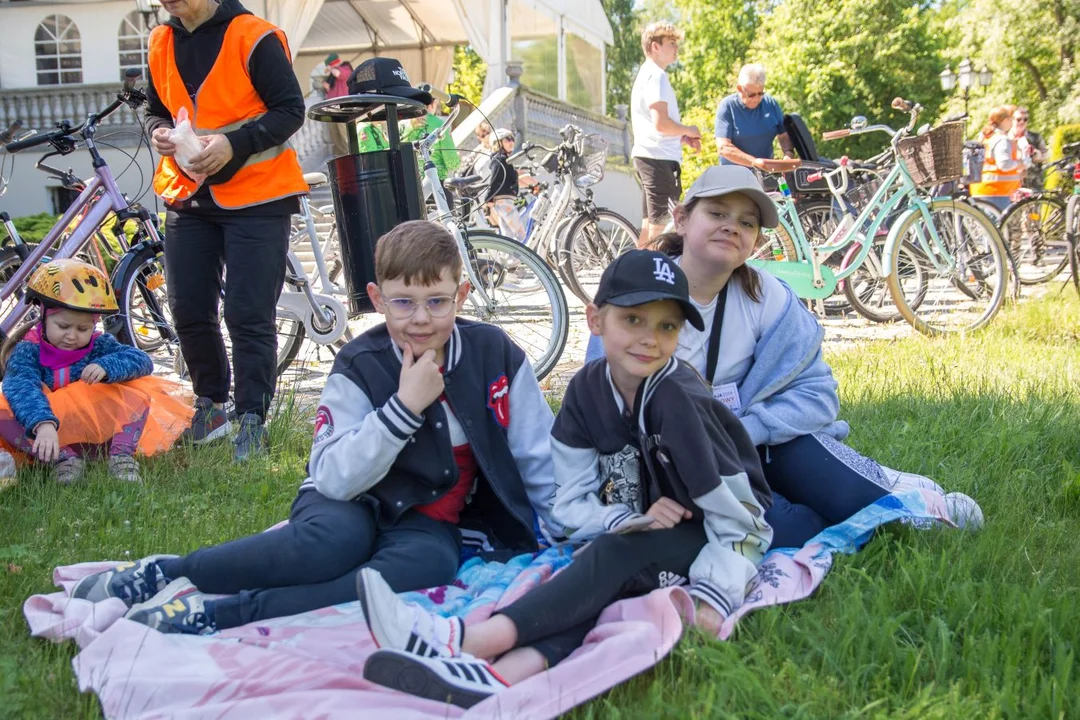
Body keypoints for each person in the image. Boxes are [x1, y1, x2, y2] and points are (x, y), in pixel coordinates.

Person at [68, 221, 561, 635]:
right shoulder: (359, 363)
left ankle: (218, 614)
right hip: (347, 497)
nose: (420, 319)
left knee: (424, 567)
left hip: (428, 516)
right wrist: (403, 408)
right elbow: (332, 478)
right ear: (376, 297)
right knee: (331, 546)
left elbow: (537, 453)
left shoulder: (494, 353)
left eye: (437, 301)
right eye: (402, 302)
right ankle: (168, 572)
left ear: (462, 294)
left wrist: (563, 534)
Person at [355, 249, 772, 708]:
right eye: (633, 320)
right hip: (647, 529)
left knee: (614, 558)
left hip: (713, 529)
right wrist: (619, 518)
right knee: (602, 576)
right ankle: (499, 677)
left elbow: (743, 521)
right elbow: (568, 504)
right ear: (595, 320)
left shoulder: (680, 401)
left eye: (667, 326)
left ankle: (461, 640)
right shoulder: (587, 388)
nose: (649, 338)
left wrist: (716, 593)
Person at [587, 166, 983, 549]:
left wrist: (744, 431)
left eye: (747, 222)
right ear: (682, 219)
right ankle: (868, 486)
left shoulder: (767, 297)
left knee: (849, 497)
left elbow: (818, 396)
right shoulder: (637, 291)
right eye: (717, 213)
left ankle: (898, 499)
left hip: (754, 442)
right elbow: (601, 409)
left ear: (756, 240)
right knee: (792, 531)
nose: (732, 227)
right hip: (673, 463)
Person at [145, 0, 308, 461]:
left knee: (247, 312)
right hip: (187, 195)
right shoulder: (160, 41)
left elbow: (291, 110)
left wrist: (234, 144)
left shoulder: (254, 35)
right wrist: (159, 131)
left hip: (259, 195)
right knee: (188, 308)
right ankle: (210, 406)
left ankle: (252, 418)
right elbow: (158, 110)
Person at [0, 260, 192, 484]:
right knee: (3, 411)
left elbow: (141, 360)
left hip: (95, 433)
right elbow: (21, 386)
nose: (72, 336)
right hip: (47, 431)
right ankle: (63, 459)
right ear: (43, 315)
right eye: (63, 326)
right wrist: (42, 423)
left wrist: (107, 366)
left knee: (136, 390)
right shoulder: (28, 350)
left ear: (94, 324)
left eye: (83, 329)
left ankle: (120, 457)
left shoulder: (99, 344)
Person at [630, 22, 701, 249]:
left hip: (649, 155)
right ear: (655, 46)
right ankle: (653, 279)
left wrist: (680, 136)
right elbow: (661, 124)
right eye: (671, 44)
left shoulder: (646, 74)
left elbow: (655, 124)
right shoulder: (656, 76)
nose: (676, 48)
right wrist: (689, 129)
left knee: (648, 226)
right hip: (658, 159)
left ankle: (637, 278)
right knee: (662, 229)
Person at [714, 64, 799, 173]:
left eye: (760, 93)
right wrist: (755, 162)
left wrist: (788, 153)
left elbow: (784, 135)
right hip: (733, 176)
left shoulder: (771, 104)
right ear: (739, 89)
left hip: (766, 174)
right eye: (751, 95)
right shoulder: (727, 107)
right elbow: (723, 148)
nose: (757, 99)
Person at [969, 105, 1029, 212]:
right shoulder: (1002, 140)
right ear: (1005, 120)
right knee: (996, 228)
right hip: (997, 193)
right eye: (1011, 118)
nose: (1012, 121)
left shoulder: (986, 138)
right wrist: (1021, 163)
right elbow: (1004, 164)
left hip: (981, 190)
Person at [401, 97, 461, 182]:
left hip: (408, 182)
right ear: (433, 103)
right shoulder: (439, 124)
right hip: (435, 182)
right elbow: (452, 162)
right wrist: (457, 160)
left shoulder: (401, 125)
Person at [483, 128, 526, 241]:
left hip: (503, 202)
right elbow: (494, 179)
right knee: (521, 234)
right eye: (507, 139)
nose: (512, 142)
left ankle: (509, 258)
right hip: (504, 202)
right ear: (498, 143)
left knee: (508, 236)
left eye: (512, 139)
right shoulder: (500, 159)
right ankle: (523, 257)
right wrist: (489, 198)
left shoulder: (505, 160)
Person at [321, 53, 355, 157]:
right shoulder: (333, 76)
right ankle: (341, 156)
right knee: (335, 136)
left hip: (342, 108)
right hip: (332, 108)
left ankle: (349, 155)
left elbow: (338, 73)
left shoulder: (346, 69)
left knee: (344, 134)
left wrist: (330, 69)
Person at [1010, 106, 1049, 191]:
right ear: (1012, 120)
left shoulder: (1035, 137)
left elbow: (1046, 155)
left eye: (1025, 119)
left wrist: (1036, 154)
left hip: (1033, 183)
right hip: (1011, 183)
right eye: (1019, 119)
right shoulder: (1006, 138)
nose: (1022, 122)